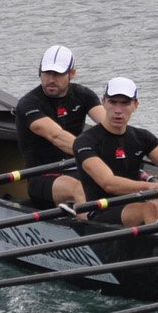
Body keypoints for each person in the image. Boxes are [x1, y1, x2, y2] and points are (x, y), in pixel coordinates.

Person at [71, 77, 158, 227]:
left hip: (134, 205)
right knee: (150, 207)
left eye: (125, 103)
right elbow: (108, 183)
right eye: (113, 102)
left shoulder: (142, 137)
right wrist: (150, 187)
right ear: (103, 102)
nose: (118, 110)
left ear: (135, 105)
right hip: (101, 211)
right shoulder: (85, 141)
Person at [14, 44, 103, 208]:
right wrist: (94, 155)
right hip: (42, 177)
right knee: (81, 189)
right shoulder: (29, 104)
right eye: (47, 73)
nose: (51, 79)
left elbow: (109, 125)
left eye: (58, 74)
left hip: (77, 169)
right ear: (39, 72)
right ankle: (90, 229)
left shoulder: (84, 95)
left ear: (72, 73)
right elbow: (56, 136)